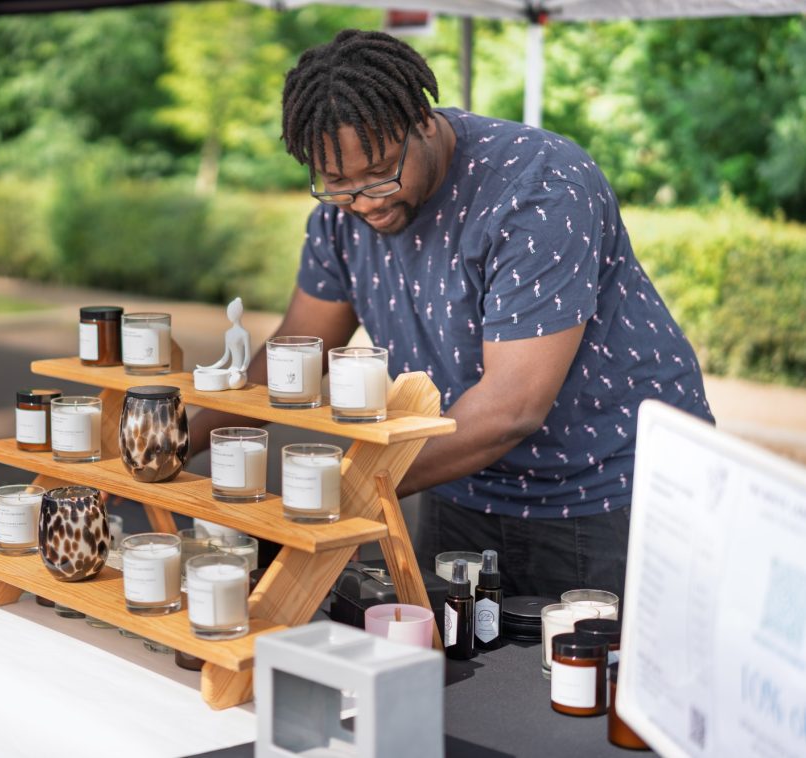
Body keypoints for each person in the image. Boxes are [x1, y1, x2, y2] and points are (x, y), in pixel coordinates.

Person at [189, 30, 714, 599]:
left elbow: (512, 408)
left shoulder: (538, 187)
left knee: (588, 684)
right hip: (460, 480)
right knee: (456, 672)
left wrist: (338, 492)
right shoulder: (342, 220)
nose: (365, 201)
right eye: (337, 184)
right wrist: (173, 442)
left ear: (421, 117)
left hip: (606, 488)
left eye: (383, 171)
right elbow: (296, 353)